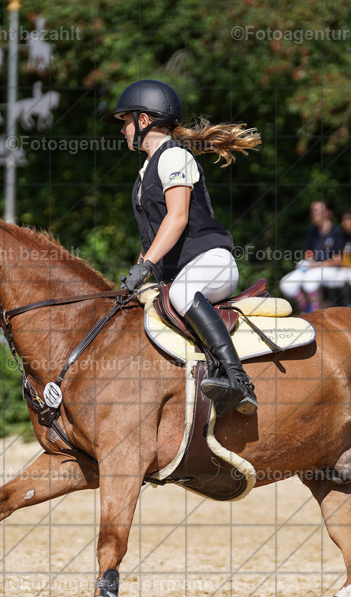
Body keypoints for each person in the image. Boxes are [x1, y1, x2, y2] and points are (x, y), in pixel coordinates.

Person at [103, 79, 261, 416]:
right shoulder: (148, 168)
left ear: (144, 121)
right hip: (180, 272)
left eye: (126, 122)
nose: (123, 130)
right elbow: (155, 236)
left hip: (211, 262)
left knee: (181, 295)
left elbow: (177, 218)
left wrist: (144, 266)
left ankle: (238, 380)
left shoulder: (173, 156)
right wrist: (136, 276)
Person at [278, 200, 346, 312]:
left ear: (328, 213)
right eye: (313, 211)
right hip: (313, 267)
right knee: (286, 284)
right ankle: (304, 309)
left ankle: (315, 313)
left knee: (309, 280)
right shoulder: (312, 231)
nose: (314, 214)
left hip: (332, 269)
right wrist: (309, 258)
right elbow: (309, 252)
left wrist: (318, 264)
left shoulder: (337, 231)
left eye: (317, 211)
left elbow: (339, 260)